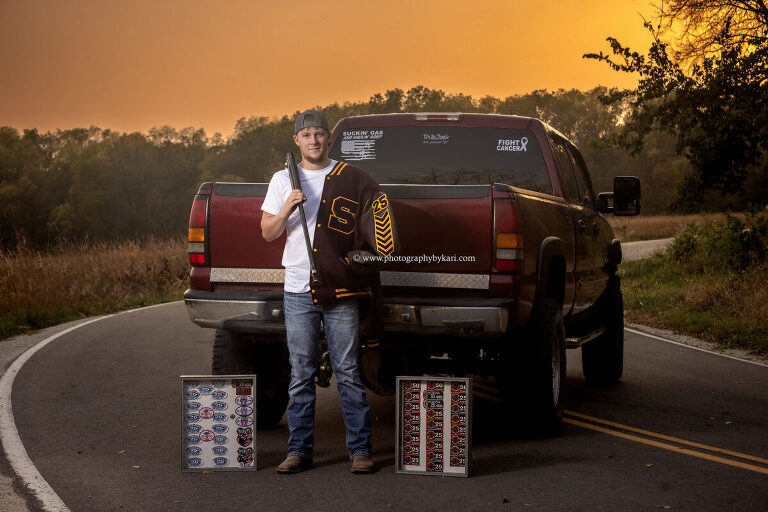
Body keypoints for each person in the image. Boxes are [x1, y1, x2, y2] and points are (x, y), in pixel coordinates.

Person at [261, 109, 397, 474]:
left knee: (349, 371)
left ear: (328, 138)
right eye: (306, 135)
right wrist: (289, 205)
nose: (314, 141)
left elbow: (378, 224)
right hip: (298, 289)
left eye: (319, 134)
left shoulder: (352, 178)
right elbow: (268, 232)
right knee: (301, 372)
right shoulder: (282, 180)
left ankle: (360, 451)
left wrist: (365, 258)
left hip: (341, 289)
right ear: (297, 141)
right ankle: (299, 451)